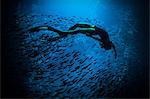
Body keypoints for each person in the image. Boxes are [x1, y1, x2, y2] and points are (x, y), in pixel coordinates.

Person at [29, 23, 117, 58]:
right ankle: (46, 29)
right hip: (94, 30)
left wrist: (115, 53)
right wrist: (90, 36)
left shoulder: (109, 41)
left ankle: (63, 34)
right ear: (106, 46)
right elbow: (99, 39)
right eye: (104, 48)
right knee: (67, 32)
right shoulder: (106, 42)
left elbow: (113, 46)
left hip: (94, 28)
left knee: (77, 26)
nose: (102, 47)